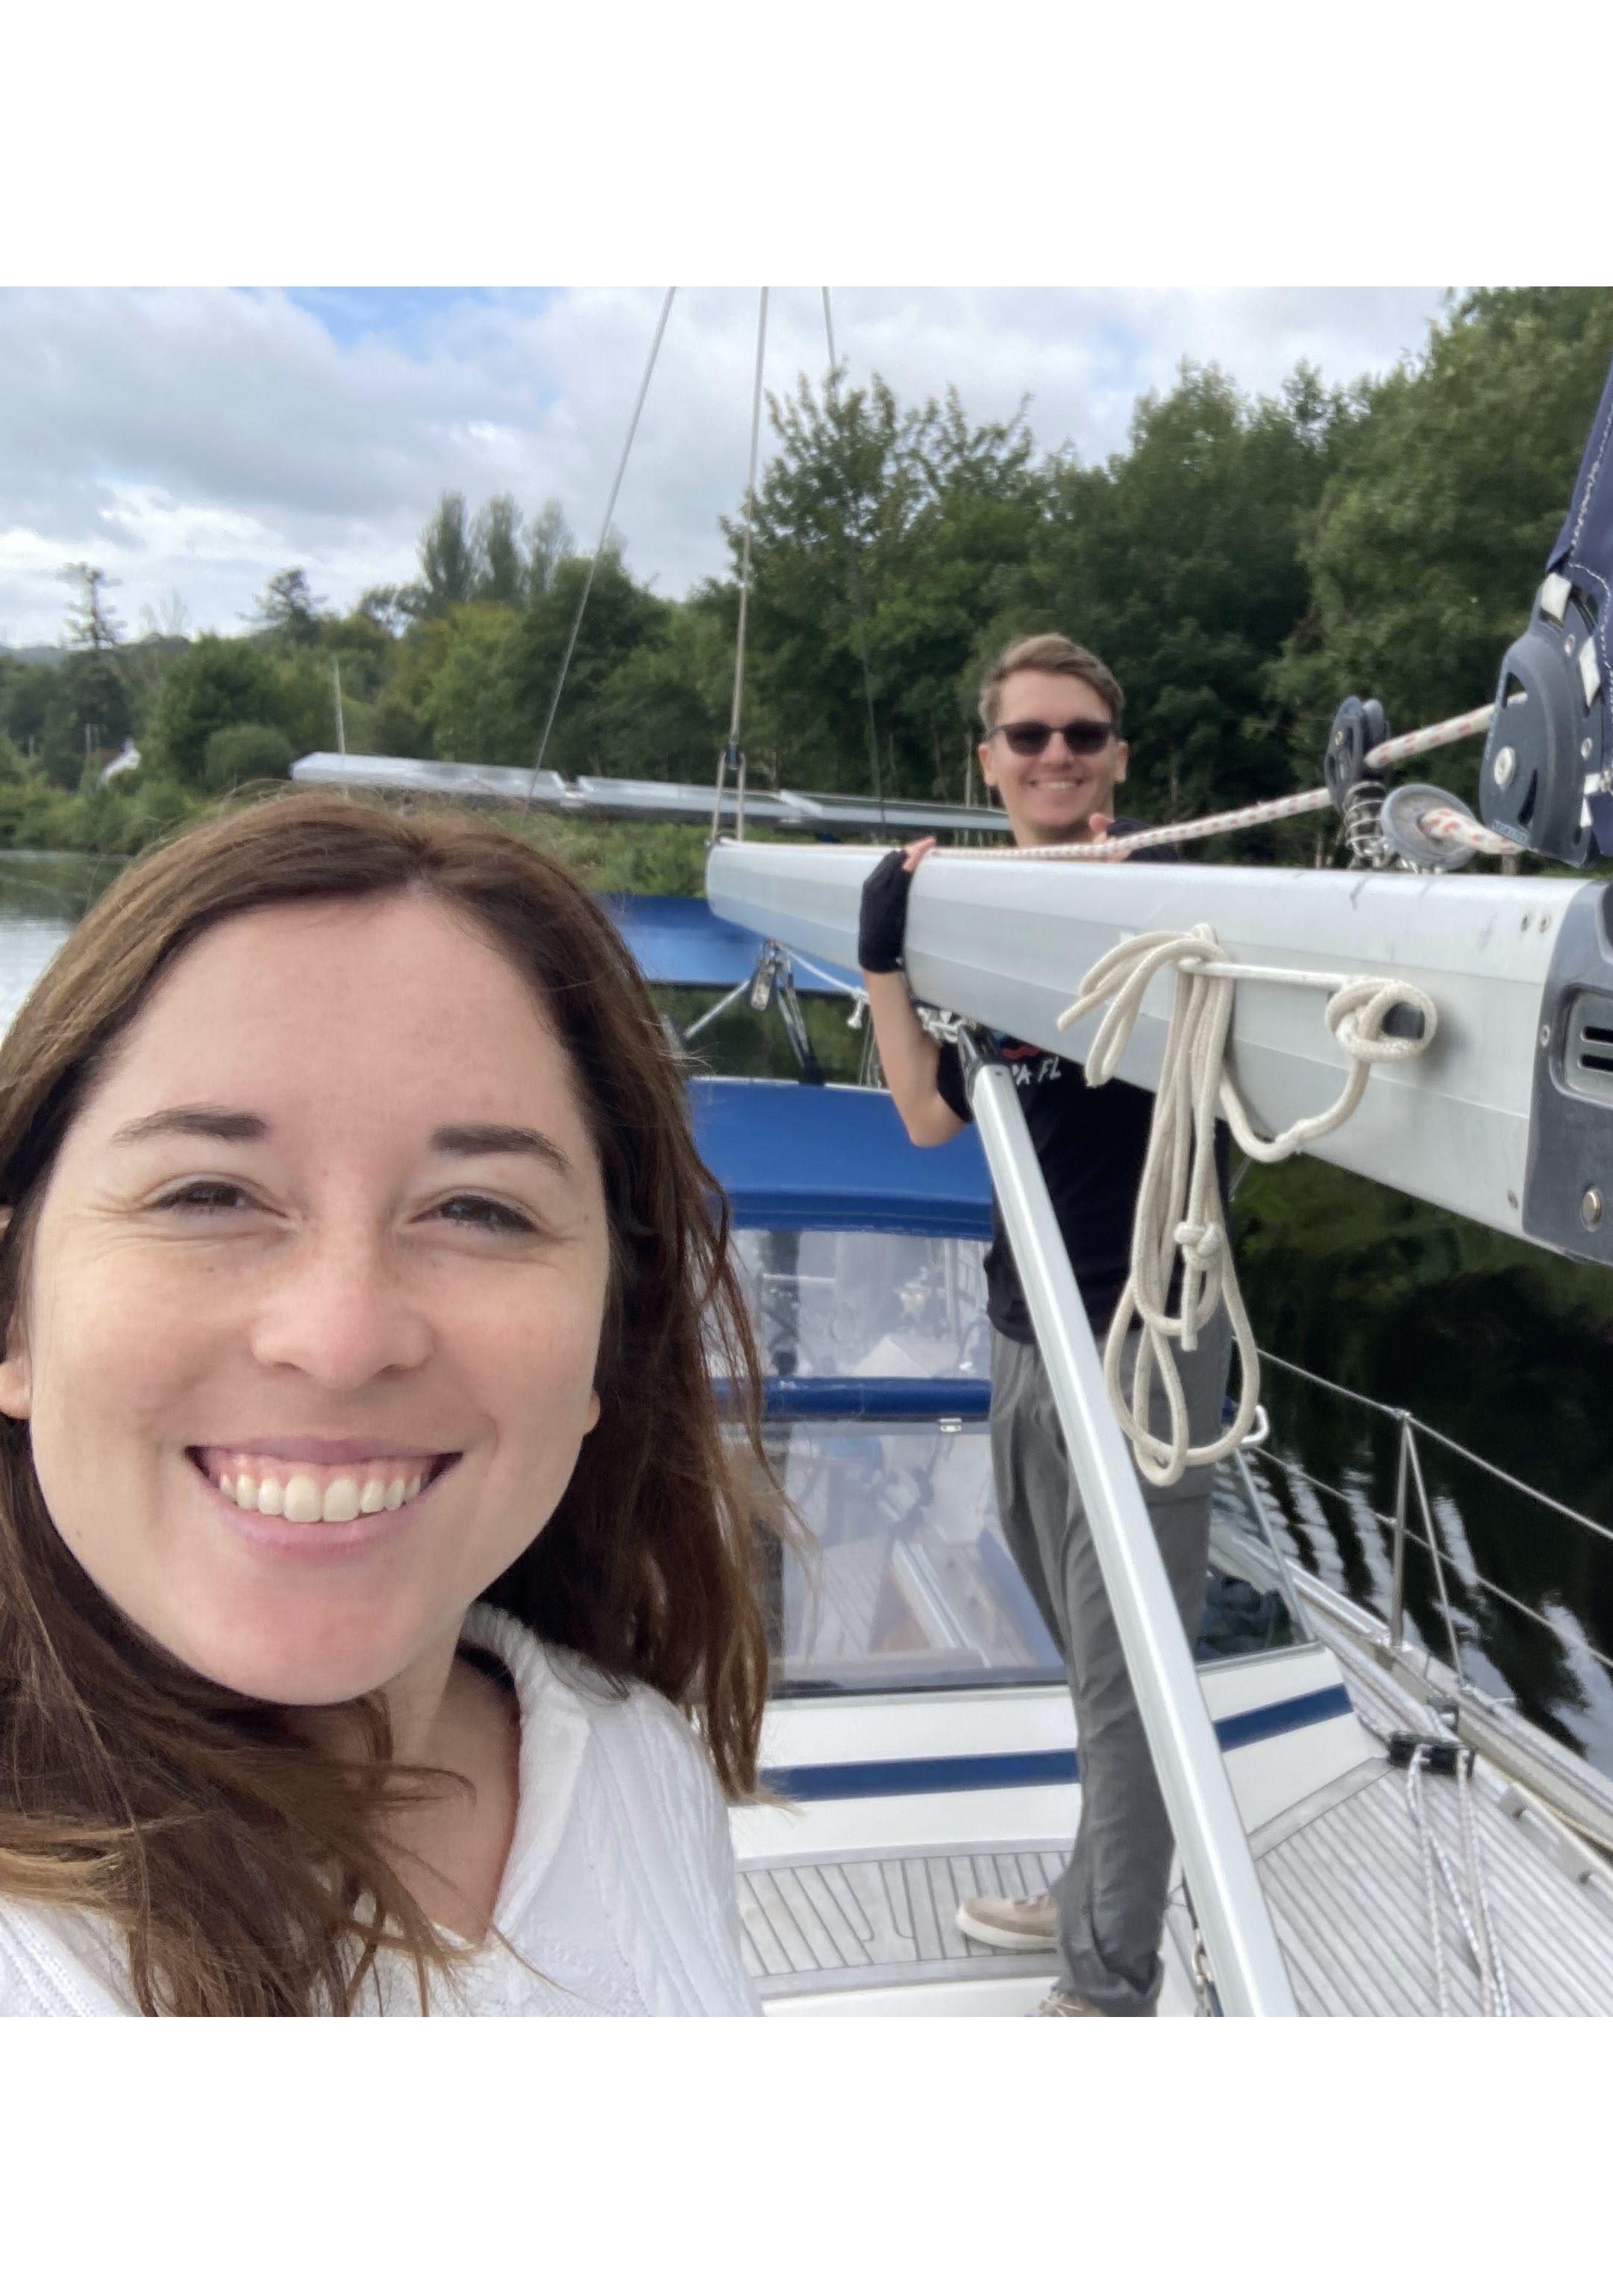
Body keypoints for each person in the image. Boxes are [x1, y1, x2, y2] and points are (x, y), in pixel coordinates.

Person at [0, 791, 777, 2016]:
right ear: (15, 1313)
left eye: (478, 1209)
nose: (341, 1339)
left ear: (605, 1340)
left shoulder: (632, 1758)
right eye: (209, 1194)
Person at [858, 631, 1230, 2018]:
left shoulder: (1168, 905)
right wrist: (887, 960)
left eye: (1081, 734)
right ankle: (1094, 1887)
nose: (1056, 755)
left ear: (1118, 758)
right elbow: (924, 1114)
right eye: (1030, 736)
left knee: (1131, 1672)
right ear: (989, 762)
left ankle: (1107, 1981)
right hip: (1024, 1327)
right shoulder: (979, 926)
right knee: (1086, 1645)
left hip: (1146, 1334)